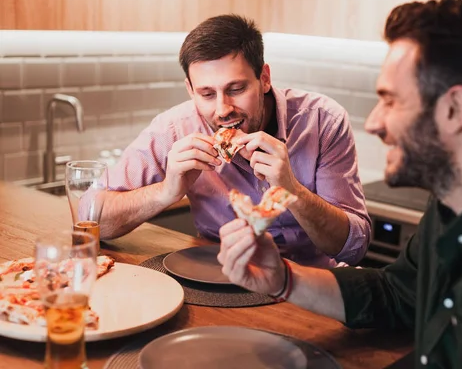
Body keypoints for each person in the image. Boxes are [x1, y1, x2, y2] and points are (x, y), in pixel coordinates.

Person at [217, 0, 462, 368]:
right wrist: (284, 279)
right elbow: (398, 293)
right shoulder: (454, 199)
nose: (374, 123)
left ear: (454, 110)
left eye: (391, 100)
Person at [100, 14, 371, 268]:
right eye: (206, 94)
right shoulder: (174, 129)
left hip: (311, 286)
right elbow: (92, 221)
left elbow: (353, 247)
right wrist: (165, 192)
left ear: (264, 79)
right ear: (190, 90)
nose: (222, 109)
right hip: (218, 281)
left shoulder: (322, 121)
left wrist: (291, 189)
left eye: (236, 89)